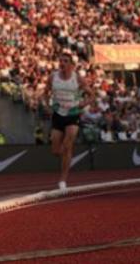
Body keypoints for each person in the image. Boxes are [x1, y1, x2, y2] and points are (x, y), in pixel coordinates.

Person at [46, 52, 88, 191]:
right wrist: (47, 106)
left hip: (73, 113)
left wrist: (83, 103)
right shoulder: (53, 77)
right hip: (58, 114)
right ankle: (66, 154)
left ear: (71, 65)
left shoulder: (78, 79)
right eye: (60, 61)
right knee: (56, 151)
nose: (62, 63)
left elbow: (91, 95)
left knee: (68, 143)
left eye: (65, 61)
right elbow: (46, 92)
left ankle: (63, 180)